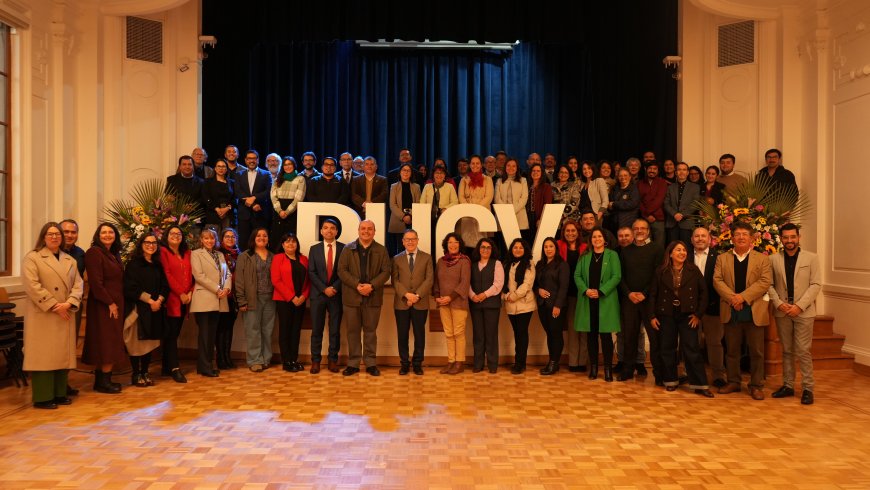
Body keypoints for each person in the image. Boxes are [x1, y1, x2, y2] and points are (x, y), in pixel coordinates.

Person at [22, 222, 84, 409]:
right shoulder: (33, 258)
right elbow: (32, 285)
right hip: (44, 314)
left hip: (65, 312)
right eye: (50, 234)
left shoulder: (70, 260)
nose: (55, 237)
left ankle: (59, 393)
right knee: (44, 356)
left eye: (57, 234)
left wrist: (70, 302)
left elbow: (78, 285)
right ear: (43, 237)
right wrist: (54, 305)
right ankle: (42, 398)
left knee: (61, 355)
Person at [713, 221, 772, 400]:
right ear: (732, 238)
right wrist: (733, 298)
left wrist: (742, 297)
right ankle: (733, 381)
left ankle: (756, 385)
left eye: (744, 234)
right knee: (732, 350)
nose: (740, 237)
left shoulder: (762, 259)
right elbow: (717, 280)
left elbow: (764, 282)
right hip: (732, 310)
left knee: (756, 351)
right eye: (737, 234)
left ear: (751, 238)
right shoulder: (722, 258)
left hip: (753, 310)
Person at [646, 241, 713, 397]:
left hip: (688, 315)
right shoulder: (660, 271)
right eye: (678, 250)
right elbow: (653, 295)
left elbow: (704, 294)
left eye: (684, 250)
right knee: (667, 348)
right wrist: (652, 316)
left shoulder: (693, 270)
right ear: (670, 253)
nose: (682, 253)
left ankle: (700, 385)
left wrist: (698, 315)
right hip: (666, 314)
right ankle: (670, 381)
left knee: (692, 349)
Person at [768, 223, 821, 405]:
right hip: (782, 311)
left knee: (803, 351)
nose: (789, 240)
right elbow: (769, 284)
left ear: (799, 237)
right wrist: (779, 304)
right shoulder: (773, 259)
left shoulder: (812, 258)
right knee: (787, 350)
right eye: (786, 237)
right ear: (781, 239)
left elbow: (816, 285)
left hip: (804, 312)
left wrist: (799, 305)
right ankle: (788, 385)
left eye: (793, 237)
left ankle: (807, 388)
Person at [337, 220, 392, 376]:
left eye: (369, 229)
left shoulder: (381, 250)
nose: (366, 231)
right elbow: (342, 271)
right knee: (352, 331)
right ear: (358, 230)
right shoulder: (348, 249)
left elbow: (386, 271)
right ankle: (353, 363)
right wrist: (357, 285)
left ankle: (370, 363)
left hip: (373, 297)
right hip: (351, 298)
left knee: (370, 332)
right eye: (363, 228)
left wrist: (371, 286)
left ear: (374, 232)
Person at [81, 222, 126, 394]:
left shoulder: (113, 254)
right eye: (104, 232)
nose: (107, 235)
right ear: (98, 236)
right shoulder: (94, 253)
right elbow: (96, 283)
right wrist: (110, 303)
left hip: (115, 303)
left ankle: (101, 380)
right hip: (104, 305)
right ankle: (104, 381)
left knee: (108, 341)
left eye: (111, 232)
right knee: (108, 342)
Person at [616, 219, 662, 382]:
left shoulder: (656, 249)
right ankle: (628, 370)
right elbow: (620, 277)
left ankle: (659, 373)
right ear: (633, 231)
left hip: (650, 300)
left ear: (648, 231)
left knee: (655, 337)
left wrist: (644, 293)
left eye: (643, 228)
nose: (640, 231)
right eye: (636, 228)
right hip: (630, 300)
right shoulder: (626, 251)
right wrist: (629, 294)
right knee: (629, 336)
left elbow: (658, 275)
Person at [574, 227, 621, 382]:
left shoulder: (612, 255)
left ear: (604, 239)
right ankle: (593, 368)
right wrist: (586, 290)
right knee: (591, 336)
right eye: (594, 237)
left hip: (605, 300)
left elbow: (616, 276)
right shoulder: (585, 256)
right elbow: (577, 275)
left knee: (606, 337)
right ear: (590, 240)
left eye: (599, 236)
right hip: (588, 300)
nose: (597, 239)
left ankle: (607, 369)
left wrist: (601, 291)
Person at [123, 233, 168, 387]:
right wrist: (149, 300)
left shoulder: (157, 265)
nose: (151, 245)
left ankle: (145, 372)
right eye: (147, 242)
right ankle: (136, 374)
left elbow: (164, 285)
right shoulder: (133, 265)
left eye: (154, 243)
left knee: (149, 344)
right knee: (137, 345)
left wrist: (159, 300)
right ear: (141, 244)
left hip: (154, 310)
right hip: (139, 310)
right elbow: (130, 288)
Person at [190, 228, 232, 377]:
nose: (209, 241)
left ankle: (207, 365)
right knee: (204, 335)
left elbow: (227, 273)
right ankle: (205, 366)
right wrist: (217, 289)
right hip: (204, 299)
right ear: (201, 240)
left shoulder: (219, 254)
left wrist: (226, 288)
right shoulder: (195, 254)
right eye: (206, 238)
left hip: (219, 299)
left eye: (212, 238)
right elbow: (199, 276)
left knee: (212, 335)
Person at [391, 229, 433, 375]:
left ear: (417, 240)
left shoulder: (427, 258)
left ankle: (417, 363)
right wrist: (407, 295)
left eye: (413, 239)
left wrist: (417, 296)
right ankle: (404, 363)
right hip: (401, 303)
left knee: (419, 334)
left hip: (420, 303)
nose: (410, 242)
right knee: (402, 335)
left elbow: (429, 280)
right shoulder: (396, 259)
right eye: (407, 239)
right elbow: (395, 280)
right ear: (403, 241)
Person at [235, 228, 275, 372]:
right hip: (252, 298)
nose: (262, 238)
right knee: (253, 330)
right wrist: (241, 300)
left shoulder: (273, 256)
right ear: (253, 238)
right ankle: (254, 360)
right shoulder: (245, 256)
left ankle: (266, 358)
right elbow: (239, 281)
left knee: (267, 330)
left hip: (270, 298)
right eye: (258, 235)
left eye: (265, 235)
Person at [307, 219, 344, 374]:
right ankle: (316, 361)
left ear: (336, 231)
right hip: (318, 295)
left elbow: (345, 272)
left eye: (333, 228)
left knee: (335, 330)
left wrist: (333, 288)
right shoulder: (314, 249)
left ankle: (333, 360)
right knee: (317, 329)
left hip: (336, 295)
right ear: (321, 231)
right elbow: (311, 272)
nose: (329, 231)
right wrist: (324, 289)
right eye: (326, 228)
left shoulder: (344, 248)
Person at [691, 227, 725, 387]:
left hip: (713, 307)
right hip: (690, 310)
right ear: (692, 239)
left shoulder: (718, 257)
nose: (699, 239)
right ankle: (691, 373)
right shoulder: (684, 256)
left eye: (703, 236)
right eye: (696, 236)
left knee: (715, 343)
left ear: (709, 239)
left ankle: (718, 375)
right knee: (691, 342)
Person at [271, 232, 310, 373]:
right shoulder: (278, 258)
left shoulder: (304, 259)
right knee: (285, 330)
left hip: (301, 301)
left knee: (296, 331)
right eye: (287, 241)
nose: (290, 244)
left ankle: (294, 359)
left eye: (293, 241)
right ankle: (286, 361)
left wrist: (304, 296)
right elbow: (276, 280)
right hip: (284, 300)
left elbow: (309, 281)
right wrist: (292, 297)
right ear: (282, 245)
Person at [159, 225, 193, 382]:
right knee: (171, 335)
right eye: (172, 233)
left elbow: (193, 274)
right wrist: (181, 293)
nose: (175, 236)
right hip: (172, 299)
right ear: (166, 236)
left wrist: (190, 292)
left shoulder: (187, 253)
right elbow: (167, 274)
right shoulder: (163, 252)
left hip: (186, 299)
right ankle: (174, 368)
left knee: (174, 333)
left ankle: (166, 366)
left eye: (178, 233)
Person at [434, 233, 471, 375]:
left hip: (458, 303)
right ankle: (451, 361)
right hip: (443, 303)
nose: (453, 245)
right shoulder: (441, 261)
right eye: (450, 242)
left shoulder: (464, 261)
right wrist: (437, 296)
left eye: (456, 242)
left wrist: (450, 297)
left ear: (460, 244)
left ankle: (459, 362)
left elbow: (464, 283)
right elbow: (436, 281)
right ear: (446, 245)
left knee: (458, 333)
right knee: (448, 333)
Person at [469, 237, 504, 374]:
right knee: (478, 335)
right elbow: (467, 284)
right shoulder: (472, 265)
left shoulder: (497, 264)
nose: (485, 250)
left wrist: (484, 295)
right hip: (475, 304)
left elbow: (498, 284)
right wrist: (472, 296)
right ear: (478, 249)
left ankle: (492, 365)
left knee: (491, 335)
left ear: (492, 250)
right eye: (483, 247)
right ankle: (478, 364)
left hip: (491, 305)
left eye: (488, 248)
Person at [535, 237, 569, 375]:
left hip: (556, 306)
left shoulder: (562, 265)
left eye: (551, 246)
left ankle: (554, 363)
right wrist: (538, 290)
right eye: (546, 247)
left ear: (556, 249)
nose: (548, 249)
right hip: (542, 305)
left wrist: (558, 306)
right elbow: (534, 283)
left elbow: (564, 287)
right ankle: (552, 361)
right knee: (550, 334)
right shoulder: (540, 264)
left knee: (556, 334)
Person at [558, 220, 588, 373]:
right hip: (568, 294)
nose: (570, 233)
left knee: (584, 328)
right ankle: (573, 362)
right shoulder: (558, 246)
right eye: (567, 231)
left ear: (578, 232)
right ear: (563, 233)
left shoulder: (585, 248)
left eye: (573, 231)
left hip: (584, 294)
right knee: (572, 328)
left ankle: (582, 361)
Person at [502, 238, 536, 375]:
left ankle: (520, 364)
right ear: (511, 249)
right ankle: (519, 362)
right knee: (517, 333)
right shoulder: (506, 264)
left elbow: (527, 285)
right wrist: (505, 296)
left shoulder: (529, 264)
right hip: (510, 305)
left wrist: (513, 295)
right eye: (515, 247)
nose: (517, 250)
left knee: (522, 333)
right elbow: (502, 283)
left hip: (524, 304)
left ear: (525, 249)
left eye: (521, 247)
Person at [59, 219, 85, 396]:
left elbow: (80, 280)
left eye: (73, 232)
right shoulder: (51, 251)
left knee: (70, 345)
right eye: (66, 231)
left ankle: (63, 382)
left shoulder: (80, 253)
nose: (69, 235)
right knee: (56, 345)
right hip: (54, 306)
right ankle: (54, 384)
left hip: (73, 304)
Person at [234, 149, 272, 249]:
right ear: (245, 160)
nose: (252, 161)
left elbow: (268, 191)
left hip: (260, 214)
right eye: (249, 158)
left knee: (260, 242)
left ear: (258, 160)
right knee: (244, 242)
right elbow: (238, 192)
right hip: (244, 214)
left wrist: (254, 197)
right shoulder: (239, 174)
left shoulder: (266, 174)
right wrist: (252, 204)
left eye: (254, 158)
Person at [458, 155, 494, 255]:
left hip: (483, 213)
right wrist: (470, 210)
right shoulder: (464, 180)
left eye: (477, 163)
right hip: (467, 215)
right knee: (467, 245)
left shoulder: (488, 179)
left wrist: (477, 210)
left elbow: (489, 197)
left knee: (482, 244)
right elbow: (461, 197)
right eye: (473, 163)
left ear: (481, 165)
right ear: (470, 165)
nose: (475, 165)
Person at [420, 164, 459, 256]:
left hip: (443, 219)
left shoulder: (449, 186)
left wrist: (446, 208)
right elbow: (421, 203)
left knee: (443, 242)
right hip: (429, 220)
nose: (439, 175)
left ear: (445, 175)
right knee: (430, 242)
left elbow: (455, 202)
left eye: (441, 173)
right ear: (433, 175)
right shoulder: (427, 187)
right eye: (437, 173)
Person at [215, 228, 240, 370]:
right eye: (227, 236)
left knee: (229, 328)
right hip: (223, 296)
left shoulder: (238, 255)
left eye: (233, 236)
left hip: (234, 298)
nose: (230, 239)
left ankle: (227, 357)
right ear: (222, 239)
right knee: (221, 328)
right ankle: (220, 358)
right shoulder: (219, 254)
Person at [270, 156, 306, 248]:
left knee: (290, 238)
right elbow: (273, 196)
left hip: (292, 213)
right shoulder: (277, 179)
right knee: (277, 239)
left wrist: (287, 212)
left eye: (290, 164)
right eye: (285, 165)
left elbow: (299, 198)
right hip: (278, 211)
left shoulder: (300, 179)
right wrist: (280, 211)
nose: (287, 166)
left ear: (294, 165)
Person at [494, 158, 529, 254]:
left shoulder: (523, 180)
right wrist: (506, 213)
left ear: (517, 168)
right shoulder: (499, 181)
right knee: (504, 247)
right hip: (503, 217)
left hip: (519, 217)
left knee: (519, 247)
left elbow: (524, 198)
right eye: (508, 165)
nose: (511, 168)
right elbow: (497, 199)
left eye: (514, 166)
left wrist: (511, 212)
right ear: (505, 167)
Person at [664, 162, 700, 249]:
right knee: (672, 249)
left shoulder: (695, 187)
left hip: (687, 223)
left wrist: (682, 214)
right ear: (676, 172)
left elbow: (695, 204)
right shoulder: (670, 187)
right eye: (679, 169)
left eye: (684, 170)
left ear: (687, 172)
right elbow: (666, 203)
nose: (681, 172)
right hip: (672, 223)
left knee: (687, 249)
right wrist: (674, 214)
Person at [388, 163, 422, 254]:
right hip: (399, 219)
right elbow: (392, 204)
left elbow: (418, 204)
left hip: (413, 219)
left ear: (411, 173)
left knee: (413, 246)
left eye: (408, 170)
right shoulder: (394, 186)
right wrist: (403, 216)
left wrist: (410, 216)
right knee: (400, 248)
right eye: (404, 170)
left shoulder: (416, 187)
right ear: (400, 172)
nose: (406, 172)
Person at [637, 160, 669, 246]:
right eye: (650, 168)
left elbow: (659, 200)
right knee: (644, 244)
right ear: (645, 169)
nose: (652, 170)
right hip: (644, 219)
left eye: (655, 169)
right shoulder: (639, 183)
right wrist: (646, 216)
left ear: (658, 171)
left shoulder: (662, 182)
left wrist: (648, 214)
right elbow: (639, 201)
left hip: (658, 219)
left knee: (659, 244)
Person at [202, 159, 236, 231]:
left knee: (227, 238)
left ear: (226, 169)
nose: (221, 168)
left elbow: (235, 198)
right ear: (215, 168)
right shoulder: (208, 182)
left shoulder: (232, 182)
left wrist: (227, 208)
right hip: (212, 214)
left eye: (223, 166)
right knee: (213, 239)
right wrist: (217, 209)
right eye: (219, 166)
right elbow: (205, 197)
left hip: (228, 215)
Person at [525, 163, 553, 243]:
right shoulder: (526, 185)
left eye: (538, 171)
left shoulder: (546, 186)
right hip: (526, 217)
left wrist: (541, 218)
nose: (535, 172)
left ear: (542, 173)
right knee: (528, 240)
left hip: (538, 216)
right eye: (533, 171)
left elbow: (547, 204)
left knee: (537, 241)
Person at [608, 168, 640, 234]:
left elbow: (632, 204)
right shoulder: (615, 188)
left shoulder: (634, 189)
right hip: (614, 222)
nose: (623, 177)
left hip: (628, 221)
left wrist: (615, 204)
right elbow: (609, 203)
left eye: (625, 175)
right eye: (620, 175)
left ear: (630, 177)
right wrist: (611, 206)